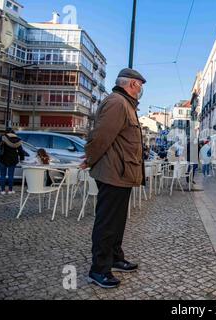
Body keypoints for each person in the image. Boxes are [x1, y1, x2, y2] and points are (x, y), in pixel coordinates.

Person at [81, 68, 146, 289]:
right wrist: (89, 158)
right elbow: (101, 136)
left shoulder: (125, 104)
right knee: (107, 222)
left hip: (122, 173)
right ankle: (98, 270)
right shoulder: (118, 103)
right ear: (131, 84)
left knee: (117, 221)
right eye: (140, 85)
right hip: (113, 173)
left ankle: (115, 258)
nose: (141, 90)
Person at [0, 128, 25, 195]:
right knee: (11, 175)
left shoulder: (2, 138)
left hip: (2, 158)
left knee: (2, 175)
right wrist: (21, 158)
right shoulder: (17, 140)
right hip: (12, 159)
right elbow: (21, 151)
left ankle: (2, 191)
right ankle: (10, 190)